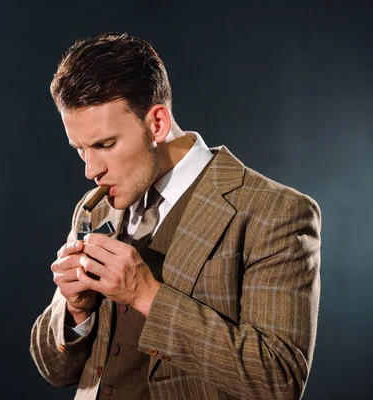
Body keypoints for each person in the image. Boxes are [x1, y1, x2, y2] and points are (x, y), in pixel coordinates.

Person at [30, 32, 321, 400]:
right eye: (80, 150)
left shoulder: (276, 212)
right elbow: (56, 370)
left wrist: (147, 295)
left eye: (105, 145)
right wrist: (76, 311)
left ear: (157, 124)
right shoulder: (96, 206)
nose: (91, 171)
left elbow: (278, 382)